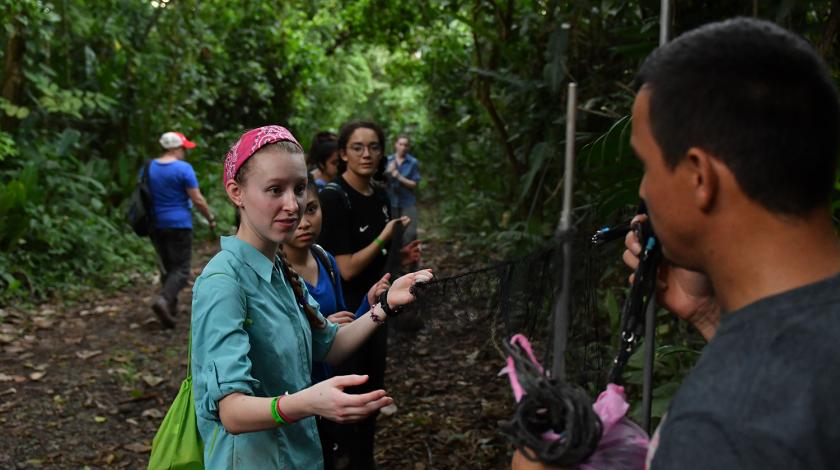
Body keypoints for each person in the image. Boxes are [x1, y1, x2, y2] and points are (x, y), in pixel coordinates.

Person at [619, 17, 840, 469]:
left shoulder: (721, 429)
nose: (644, 189)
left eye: (647, 164)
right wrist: (709, 315)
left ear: (700, 177)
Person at [190, 125, 433, 469]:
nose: (293, 205)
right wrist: (307, 403)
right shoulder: (223, 282)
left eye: (299, 188)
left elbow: (327, 345)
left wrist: (385, 305)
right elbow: (231, 411)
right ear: (236, 192)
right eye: (275, 189)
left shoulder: (280, 268)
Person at [282, 177, 391, 468]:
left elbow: (343, 324)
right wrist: (319, 327)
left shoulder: (324, 260)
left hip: (331, 388)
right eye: (297, 214)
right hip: (296, 397)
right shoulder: (275, 274)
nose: (305, 222)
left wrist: (368, 303)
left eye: (312, 210)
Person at [318, 121, 409, 470]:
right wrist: (384, 238)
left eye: (373, 146)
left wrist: (402, 255)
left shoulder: (382, 195)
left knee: (371, 398)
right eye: (357, 147)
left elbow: (378, 261)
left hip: (378, 312)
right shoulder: (333, 197)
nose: (366, 154)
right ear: (343, 153)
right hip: (345, 317)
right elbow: (346, 269)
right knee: (346, 404)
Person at [148, 131, 216, 328]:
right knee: (182, 269)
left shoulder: (149, 167)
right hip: (179, 224)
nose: (185, 152)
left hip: (156, 224)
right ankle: (163, 301)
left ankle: (170, 308)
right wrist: (209, 217)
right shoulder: (183, 169)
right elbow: (197, 199)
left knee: (168, 267)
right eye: (184, 148)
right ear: (176, 149)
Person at [385, 135, 421, 244]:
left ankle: (411, 259)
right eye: (401, 144)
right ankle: (394, 259)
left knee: (410, 234)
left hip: (407, 202)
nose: (403, 147)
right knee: (391, 234)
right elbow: (381, 182)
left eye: (406, 145)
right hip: (391, 202)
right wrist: (388, 172)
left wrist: (398, 176)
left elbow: (414, 184)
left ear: (408, 147)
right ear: (396, 145)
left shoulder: (413, 162)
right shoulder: (388, 160)